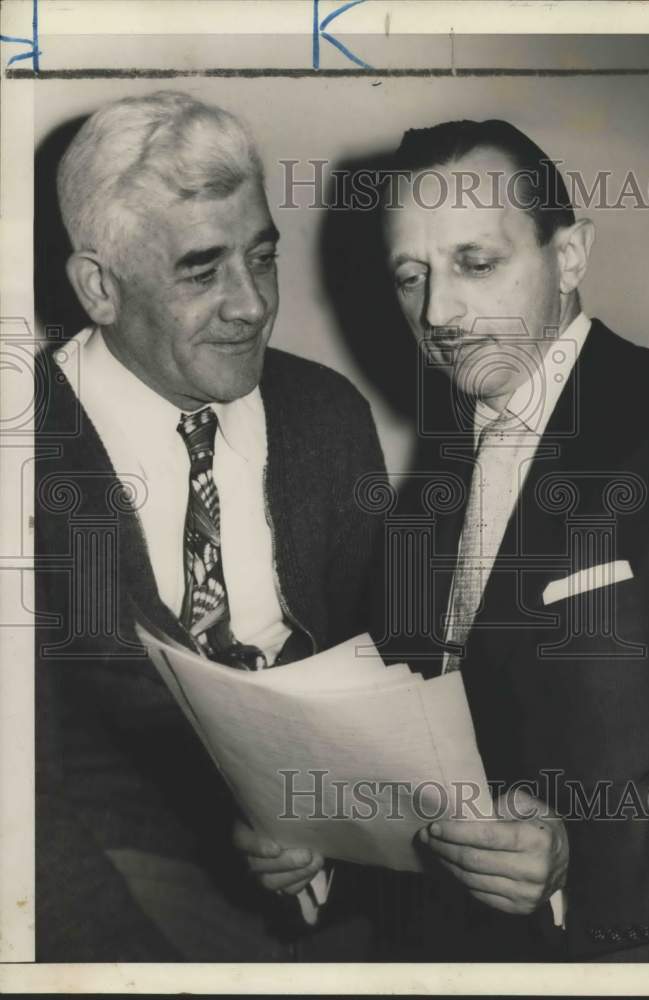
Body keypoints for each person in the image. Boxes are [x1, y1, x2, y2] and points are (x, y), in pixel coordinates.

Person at [374, 119, 649, 962]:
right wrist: (315, 836)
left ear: (570, 256)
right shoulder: (431, 484)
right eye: (410, 277)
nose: (437, 312)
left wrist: (581, 857)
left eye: (475, 262)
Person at [35, 90, 386, 962]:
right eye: (202, 270)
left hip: (353, 874)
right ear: (99, 288)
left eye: (260, 259)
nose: (253, 305)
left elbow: (389, 664)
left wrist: (332, 813)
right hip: (114, 889)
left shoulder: (326, 414)